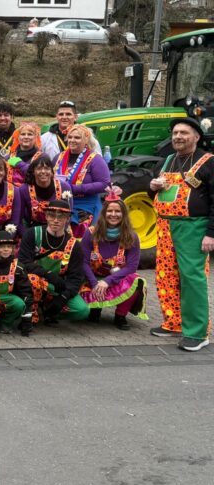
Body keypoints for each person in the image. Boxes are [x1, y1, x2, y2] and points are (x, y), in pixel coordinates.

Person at [149, 116, 214, 351]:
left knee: (192, 279)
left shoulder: (208, 162)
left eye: (183, 133)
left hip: (192, 227)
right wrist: (152, 187)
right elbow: (153, 194)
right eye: (175, 133)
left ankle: (197, 333)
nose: (178, 137)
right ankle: (173, 322)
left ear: (196, 137)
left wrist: (211, 233)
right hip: (165, 226)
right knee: (166, 275)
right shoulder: (167, 161)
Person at [18, 199, 89, 326]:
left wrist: (64, 296)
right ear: (46, 216)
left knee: (82, 311)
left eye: (61, 217)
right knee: (32, 280)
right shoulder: (32, 234)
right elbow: (23, 263)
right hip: (34, 282)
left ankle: (49, 312)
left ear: (68, 219)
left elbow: (76, 276)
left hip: (58, 287)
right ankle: (30, 313)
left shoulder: (74, 245)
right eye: (52, 215)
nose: (56, 220)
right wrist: (48, 274)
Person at [80, 195, 145, 330]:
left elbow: (132, 267)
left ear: (124, 214)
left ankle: (120, 315)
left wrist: (107, 281)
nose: (113, 214)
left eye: (117, 211)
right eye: (110, 211)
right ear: (104, 213)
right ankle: (95, 309)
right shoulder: (90, 233)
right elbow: (83, 262)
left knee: (137, 281)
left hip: (116, 279)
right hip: (92, 279)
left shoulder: (132, 236)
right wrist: (95, 283)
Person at [55, 124, 110, 233]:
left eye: (77, 137)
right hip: (61, 204)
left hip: (85, 206)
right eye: (70, 137)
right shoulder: (59, 157)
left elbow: (105, 184)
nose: (72, 140)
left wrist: (73, 188)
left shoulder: (95, 159)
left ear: (86, 140)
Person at [18, 155, 67, 234]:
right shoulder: (24, 189)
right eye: (39, 168)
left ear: (52, 172)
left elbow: (68, 216)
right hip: (33, 229)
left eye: (47, 168)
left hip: (59, 230)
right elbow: (19, 218)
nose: (43, 171)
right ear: (33, 172)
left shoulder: (64, 187)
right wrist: (27, 236)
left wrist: (60, 234)